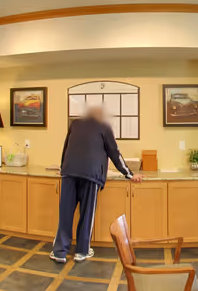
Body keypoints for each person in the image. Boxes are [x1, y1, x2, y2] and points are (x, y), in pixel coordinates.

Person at [53, 105, 141, 263]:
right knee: (86, 214)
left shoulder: (75, 124)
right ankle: (82, 251)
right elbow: (114, 153)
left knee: (65, 214)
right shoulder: (104, 126)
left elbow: (65, 148)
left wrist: (62, 168)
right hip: (91, 175)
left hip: (69, 172)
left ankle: (60, 252)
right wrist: (129, 174)